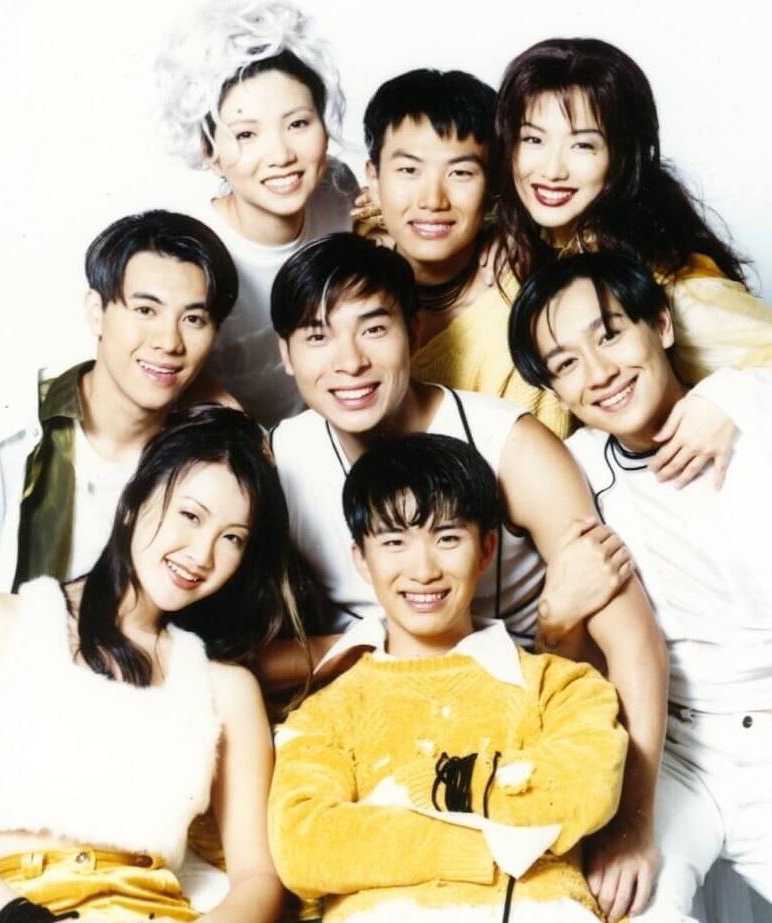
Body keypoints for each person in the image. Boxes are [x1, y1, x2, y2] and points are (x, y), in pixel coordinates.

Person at [269, 232, 667, 922]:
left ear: (415, 330)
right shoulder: (281, 457)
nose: (349, 361)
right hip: (384, 724)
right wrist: (353, 648)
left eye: (373, 328)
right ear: (284, 354)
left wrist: (630, 826)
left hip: (533, 717)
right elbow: (234, 652)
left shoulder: (511, 445)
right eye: (317, 336)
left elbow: (633, 642)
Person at [508, 251, 772, 922]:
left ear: (661, 325)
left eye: (609, 334)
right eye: (565, 364)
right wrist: (555, 621)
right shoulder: (574, 473)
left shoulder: (747, 411)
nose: (599, 372)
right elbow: (580, 670)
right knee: (619, 905)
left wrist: (740, 393)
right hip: (673, 752)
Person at [269, 432, 629, 922]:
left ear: (486, 549)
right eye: (394, 542)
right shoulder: (324, 714)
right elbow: (304, 847)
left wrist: (429, 788)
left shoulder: (561, 687)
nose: (423, 570)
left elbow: (583, 791)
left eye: (447, 538)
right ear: (361, 560)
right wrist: (483, 842)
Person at [0, 404, 304, 923]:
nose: (201, 555)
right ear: (134, 501)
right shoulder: (5, 626)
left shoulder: (226, 690)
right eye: (190, 515)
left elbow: (258, 879)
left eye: (232, 538)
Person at [494, 37, 772, 479]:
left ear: (621, 156)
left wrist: (730, 399)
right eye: (533, 139)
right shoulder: (547, 237)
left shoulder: (668, 278)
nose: (551, 170)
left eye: (583, 146)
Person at [0, 210, 238, 593]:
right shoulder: (10, 422)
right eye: (145, 311)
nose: (169, 342)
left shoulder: (205, 464)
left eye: (193, 319)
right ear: (96, 312)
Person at [156, 0, 358, 427]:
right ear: (209, 153)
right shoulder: (189, 252)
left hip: (332, 427)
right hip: (230, 443)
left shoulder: (337, 191)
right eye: (246, 134)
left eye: (298, 124)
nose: (281, 155)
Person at [360, 68, 568, 438]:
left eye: (460, 173)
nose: (432, 200)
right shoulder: (349, 248)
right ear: (373, 180)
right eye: (408, 170)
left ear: (493, 187)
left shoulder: (522, 327)